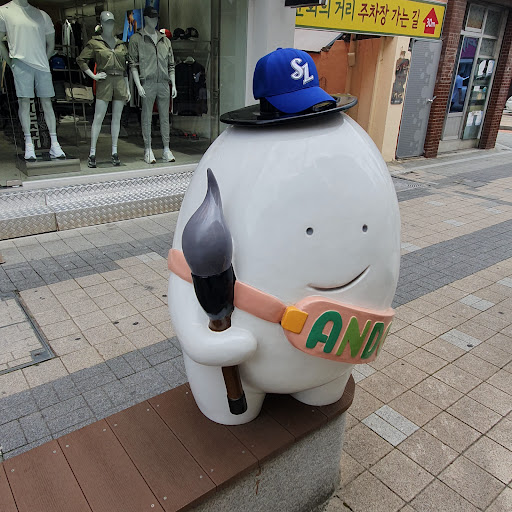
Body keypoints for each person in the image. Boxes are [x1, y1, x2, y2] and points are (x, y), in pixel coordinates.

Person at [0, 0, 66, 161]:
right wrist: (10, 62)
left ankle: (55, 143)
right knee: (24, 102)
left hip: (41, 65)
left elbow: (51, 43)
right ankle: (29, 143)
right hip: (21, 62)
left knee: (47, 103)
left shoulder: (42, 15)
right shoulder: (4, 11)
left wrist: (44, 59)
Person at [77, 11, 130, 168]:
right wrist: (93, 76)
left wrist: (128, 88)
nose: (110, 25)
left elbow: (125, 69)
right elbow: (81, 60)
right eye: (107, 22)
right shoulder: (95, 43)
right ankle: (92, 153)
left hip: (120, 81)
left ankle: (115, 152)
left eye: (112, 22)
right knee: (98, 117)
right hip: (104, 80)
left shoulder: (121, 44)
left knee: (117, 118)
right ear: (101, 24)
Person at [129, 5, 177, 164]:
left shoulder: (165, 40)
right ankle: (148, 149)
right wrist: (138, 85)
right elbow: (133, 65)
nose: (154, 20)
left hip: (164, 83)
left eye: (156, 18)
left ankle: (166, 148)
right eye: (151, 17)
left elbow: (171, 65)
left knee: (165, 117)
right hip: (147, 83)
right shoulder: (137, 39)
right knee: (147, 117)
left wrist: (173, 84)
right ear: (145, 18)